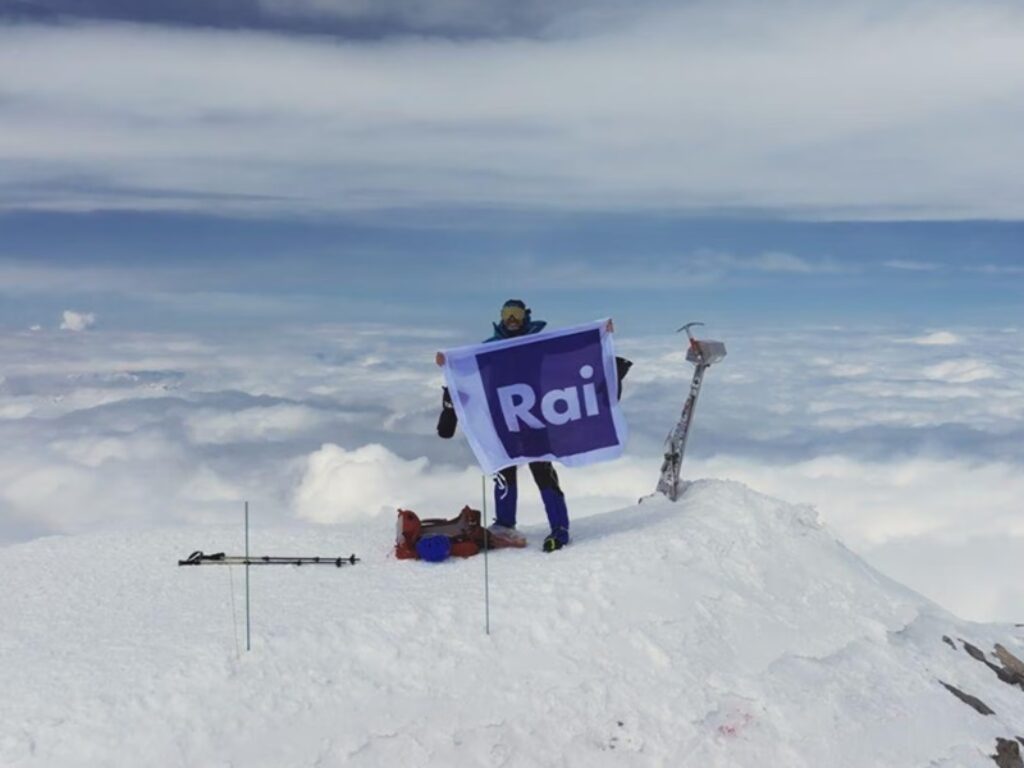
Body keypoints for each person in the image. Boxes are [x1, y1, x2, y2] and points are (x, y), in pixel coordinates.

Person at [436, 299, 617, 552]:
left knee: (542, 471)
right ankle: (505, 524)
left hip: (534, 418)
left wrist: (598, 334)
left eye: (517, 314)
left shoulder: (536, 345)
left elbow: (568, 348)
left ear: (525, 316)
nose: (512, 319)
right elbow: (467, 371)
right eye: (507, 313)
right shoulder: (489, 348)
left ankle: (559, 527)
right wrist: (449, 363)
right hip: (502, 419)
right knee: (503, 469)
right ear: (500, 316)